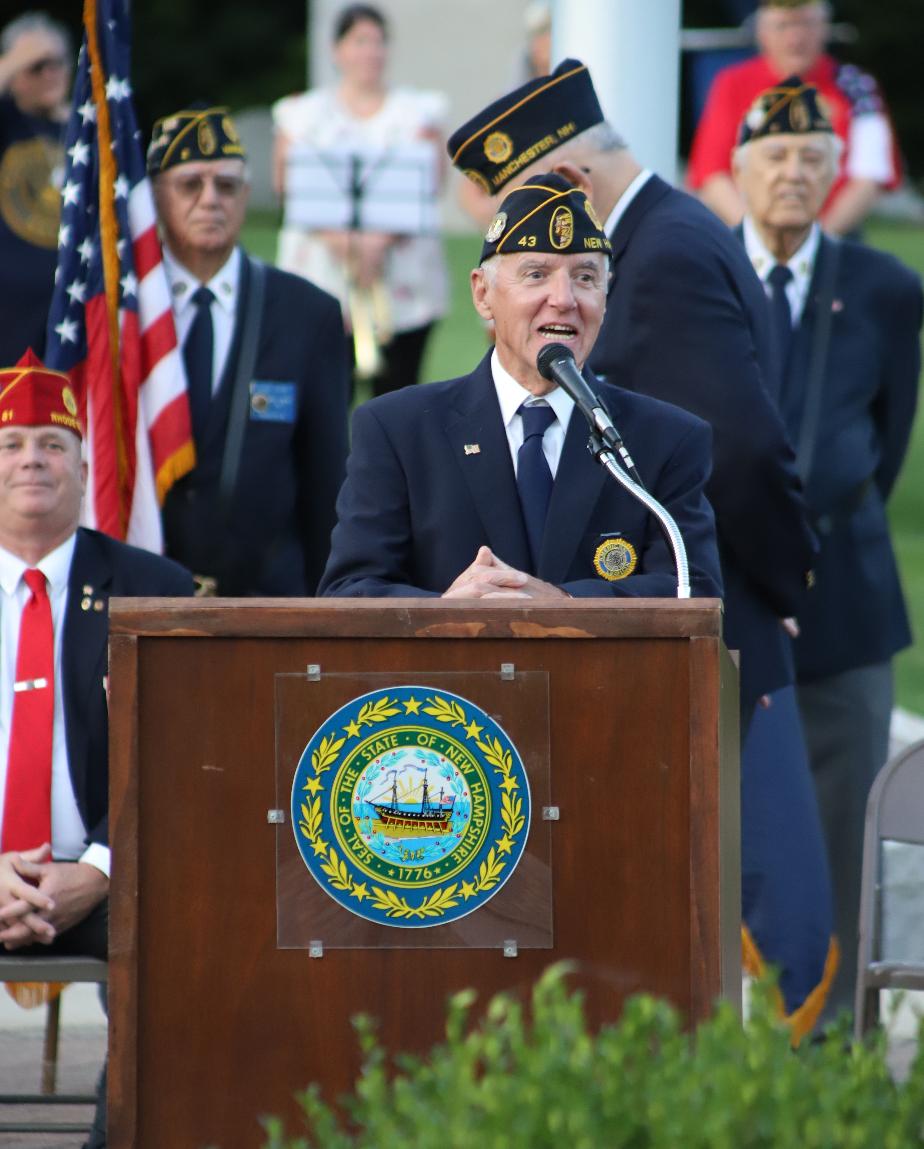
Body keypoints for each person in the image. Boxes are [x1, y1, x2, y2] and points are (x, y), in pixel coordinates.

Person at [448, 61, 832, 1039]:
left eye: (525, 210)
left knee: (718, 907)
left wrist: (785, 581)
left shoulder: (655, 257)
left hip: (707, 628)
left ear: (568, 188)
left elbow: (740, 450)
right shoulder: (669, 236)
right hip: (677, 616)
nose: (527, 250)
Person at [733, 77, 922, 1019]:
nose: (794, 173)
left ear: (839, 172)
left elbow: (883, 451)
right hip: (729, 608)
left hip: (848, 601)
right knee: (725, 834)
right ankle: (729, 1040)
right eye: (775, 156)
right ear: (737, 170)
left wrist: (810, 544)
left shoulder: (886, 288)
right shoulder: (698, 278)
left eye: (814, 158)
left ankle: (838, 1042)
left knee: (848, 837)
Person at [319, 174, 722, 602]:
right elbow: (350, 592)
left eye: (585, 278)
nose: (564, 299)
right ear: (482, 293)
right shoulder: (398, 430)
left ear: (606, 297)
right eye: (536, 274)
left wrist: (563, 604)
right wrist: (441, 615)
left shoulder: (665, 439)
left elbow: (693, 591)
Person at [0, 350, 193, 1148]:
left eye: (52, 442)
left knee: (185, 937)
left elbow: (184, 758)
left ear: (87, 463)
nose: (31, 459)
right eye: (10, 444)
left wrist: (103, 866)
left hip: (109, 873)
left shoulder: (155, 588)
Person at [148, 104, 349, 596]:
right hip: (137, 594)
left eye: (227, 185)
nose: (210, 199)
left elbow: (327, 481)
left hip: (269, 599)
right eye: (190, 184)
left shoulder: (309, 313)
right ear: (153, 197)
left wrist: (329, 607)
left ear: (247, 194)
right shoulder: (120, 312)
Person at [271, 3, 449, 399]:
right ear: (338, 50)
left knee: (400, 389)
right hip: (326, 268)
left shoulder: (417, 113)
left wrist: (376, 243)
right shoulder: (304, 114)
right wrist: (346, 245)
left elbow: (432, 183)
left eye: (379, 41)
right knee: (326, 391)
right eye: (360, 41)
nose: (371, 51)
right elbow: (287, 185)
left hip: (401, 273)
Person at [688, 0, 901, 236]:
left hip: (836, 237)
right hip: (749, 241)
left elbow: (870, 175)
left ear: (825, 28)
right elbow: (711, 174)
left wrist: (817, 243)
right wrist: (757, 238)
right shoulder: (731, 84)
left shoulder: (856, 86)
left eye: (807, 24)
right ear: (762, 32)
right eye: (783, 26)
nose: (795, 38)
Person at [0, 12, 72, 364]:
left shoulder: (85, 129)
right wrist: (14, 61)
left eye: (58, 62)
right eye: (37, 65)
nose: (51, 73)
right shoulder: (9, 122)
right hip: (8, 320)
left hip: (66, 318)